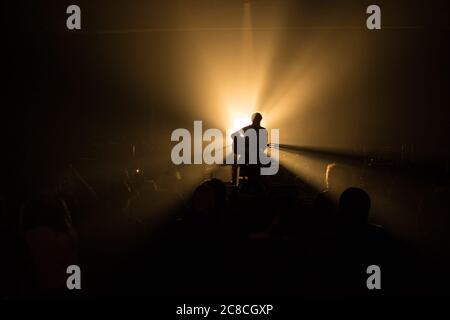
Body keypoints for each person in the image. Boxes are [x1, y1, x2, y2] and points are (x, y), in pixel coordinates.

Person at [230, 113, 268, 185]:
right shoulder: (263, 130)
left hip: (249, 157)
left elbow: (233, 135)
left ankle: (235, 185)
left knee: (236, 166)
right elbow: (263, 147)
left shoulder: (247, 128)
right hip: (255, 157)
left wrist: (240, 145)